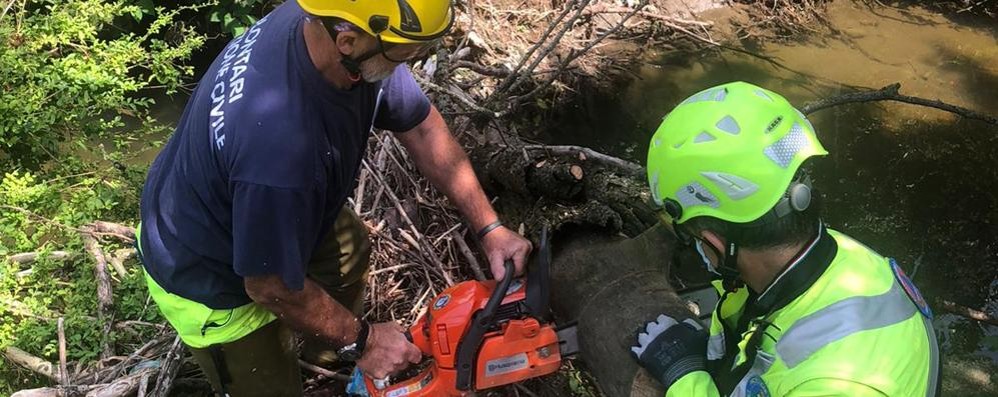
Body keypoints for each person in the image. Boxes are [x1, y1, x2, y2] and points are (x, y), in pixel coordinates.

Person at [135, 0, 532, 395]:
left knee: (348, 251)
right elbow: (267, 285)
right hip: (204, 269)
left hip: (260, 205)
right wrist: (364, 341)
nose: (418, 57)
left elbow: (422, 127)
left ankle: (324, 367)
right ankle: (302, 355)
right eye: (408, 50)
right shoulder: (280, 149)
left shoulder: (331, 23)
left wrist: (490, 227)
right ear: (347, 41)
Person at [630, 81, 940, 396]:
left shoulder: (838, 385)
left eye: (692, 237)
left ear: (716, 243)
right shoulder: (844, 257)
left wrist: (686, 377)